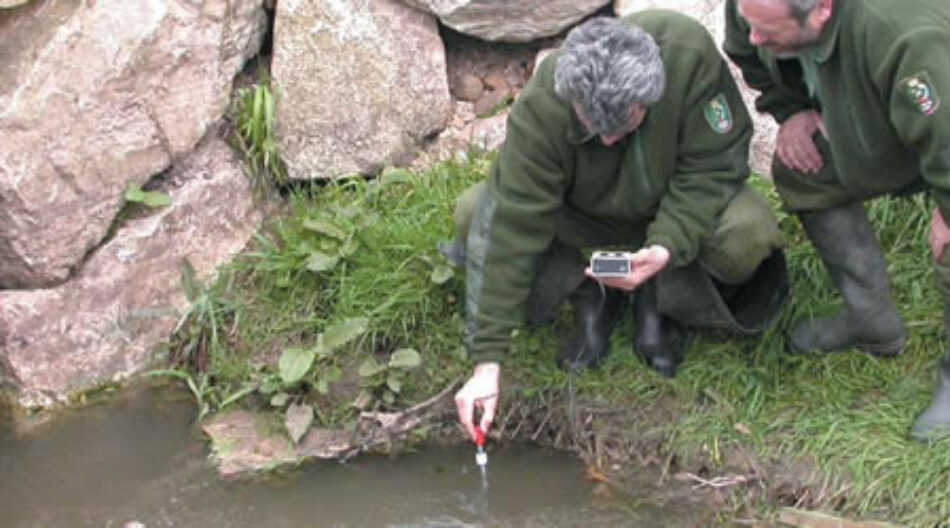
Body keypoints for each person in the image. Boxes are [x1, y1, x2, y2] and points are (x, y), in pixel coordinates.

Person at [445, 13, 789, 443]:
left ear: (651, 94)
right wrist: (487, 364)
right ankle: (589, 291)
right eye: (592, 126)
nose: (607, 141)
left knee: (748, 233)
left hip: (673, 203)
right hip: (580, 215)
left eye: (622, 126)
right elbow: (512, 220)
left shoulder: (687, 56)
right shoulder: (547, 99)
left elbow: (713, 166)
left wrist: (665, 245)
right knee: (477, 214)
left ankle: (662, 300)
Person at [723, 0, 950, 441]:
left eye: (767, 30)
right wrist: (791, 110)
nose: (754, 36)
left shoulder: (904, 36)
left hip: (942, 115)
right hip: (880, 114)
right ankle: (871, 320)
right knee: (804, 168)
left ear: (822, 9)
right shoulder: (756, 7)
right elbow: (744, 50)